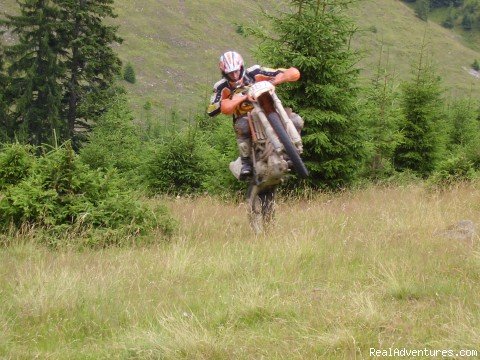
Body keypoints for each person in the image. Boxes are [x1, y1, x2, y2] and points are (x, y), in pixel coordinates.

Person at [207, 50, 303, 180]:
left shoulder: (255, 71)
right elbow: (211, 109)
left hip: (269, 109)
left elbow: (289, 72)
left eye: (236, 71)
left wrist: (276, 80)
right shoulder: (221, 86)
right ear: (224, 73)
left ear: (241, 67)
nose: (234, 75)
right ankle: (245, 162)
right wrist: (238, 98)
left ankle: (292, 150)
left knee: (296, 120)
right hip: (245, 116)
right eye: (230, 73)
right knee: (242, 126)